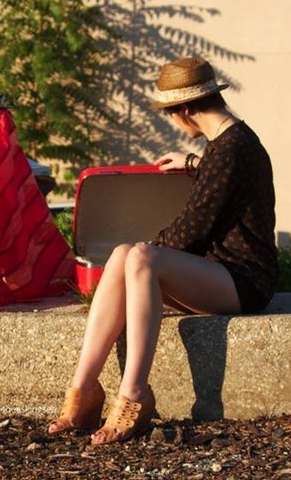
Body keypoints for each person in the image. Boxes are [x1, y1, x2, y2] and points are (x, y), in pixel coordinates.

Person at [47, 57, 278, 445]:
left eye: (171, 114)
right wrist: (191, 163)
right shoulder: (228, 144)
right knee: (123, 253)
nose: (173, 122)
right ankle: (84, 389)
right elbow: (222, 176)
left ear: (185, 110)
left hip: (245, 279)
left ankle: (135, 393)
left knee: (136, 257)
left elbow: (193, 230)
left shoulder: (232, 150)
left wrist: (144, 254)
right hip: (219, 272)